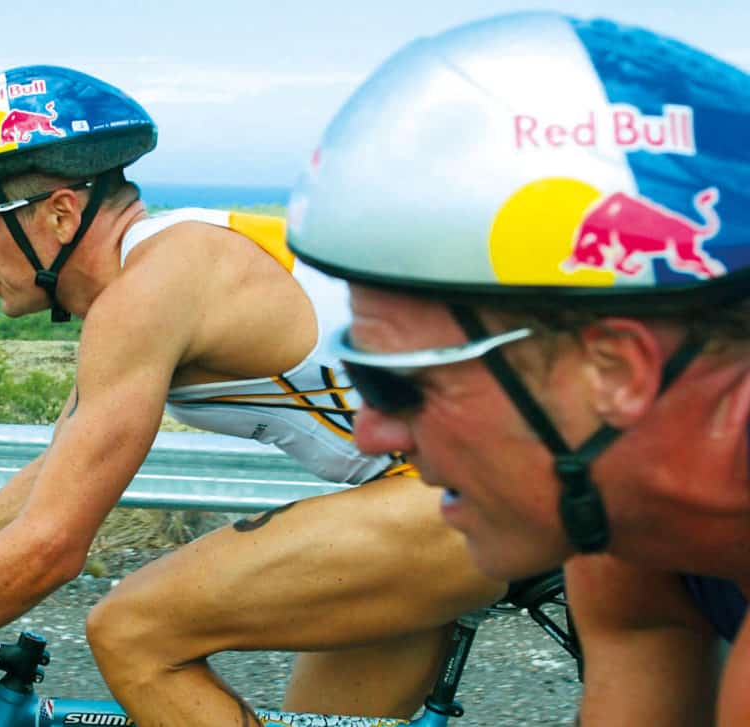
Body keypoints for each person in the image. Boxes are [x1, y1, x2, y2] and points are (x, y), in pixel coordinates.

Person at [0, 64, 505, 727]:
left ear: (56, 213)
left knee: (131, 628)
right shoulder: (153, 275)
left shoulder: (146, 294)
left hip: (477, 488)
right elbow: (54, 478)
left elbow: (53, 544)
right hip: (448, 488)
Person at [286, 11, 750, 725]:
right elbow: (641, 660)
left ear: (616, 369)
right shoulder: (618, 508)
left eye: (395, 381)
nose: (371, 431)